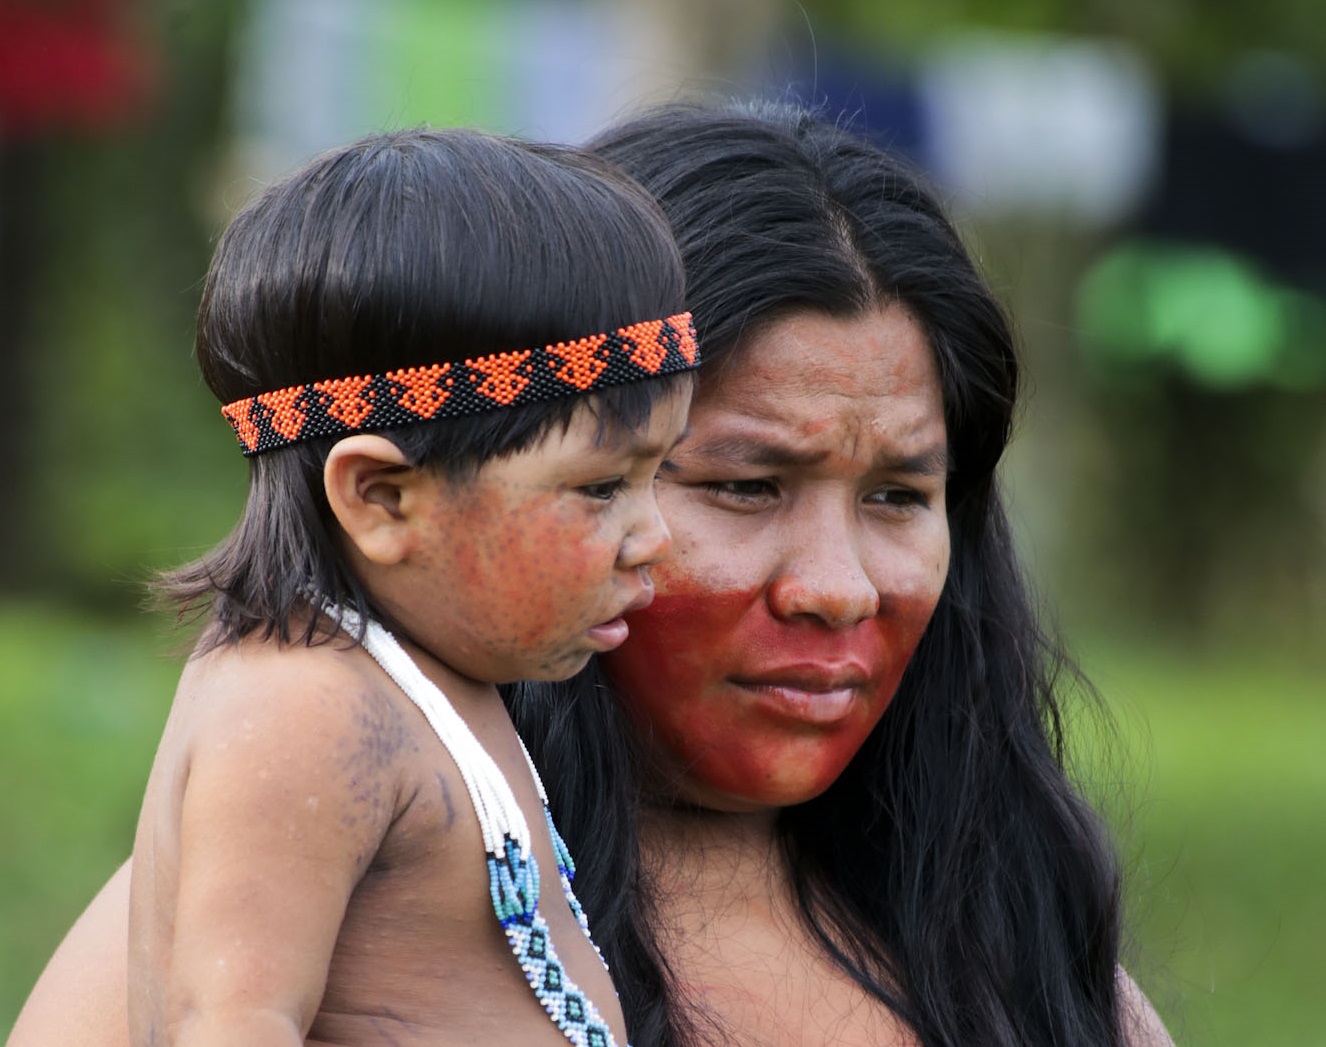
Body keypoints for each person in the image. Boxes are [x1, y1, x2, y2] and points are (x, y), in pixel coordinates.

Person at [5, 102, 1172, 1047]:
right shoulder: (318, 843)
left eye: (899, 497)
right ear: (398, 496)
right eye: (743, 487)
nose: (839, 587)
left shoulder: (1015, 931)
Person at [117, 126, 696, 1047]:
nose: (655, 538)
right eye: (600, 487)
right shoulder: (304, 705)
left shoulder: (426, 681)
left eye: (658, 474)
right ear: (383, 498)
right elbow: (226, 1022)